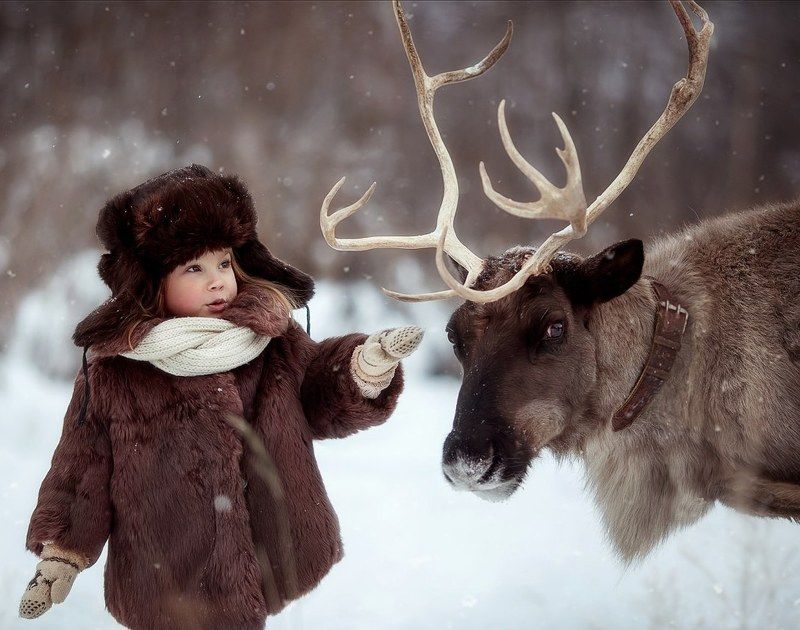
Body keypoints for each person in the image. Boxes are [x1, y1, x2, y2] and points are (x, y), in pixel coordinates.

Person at [18, 164, 423, 629]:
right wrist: (63, 552)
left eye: (224, 263)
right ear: (152, 282)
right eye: (194, 268)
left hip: (272, 547)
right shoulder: (117, 369)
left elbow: (319, 394)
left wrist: (363, 366)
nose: (217, 281)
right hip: (166, 569)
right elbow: (81, 465)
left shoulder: (269, 339)